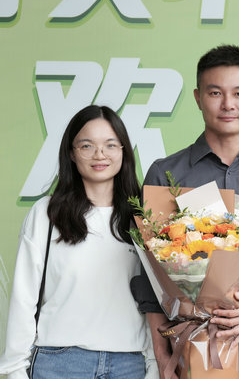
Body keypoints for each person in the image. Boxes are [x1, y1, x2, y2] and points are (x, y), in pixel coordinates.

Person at [131, 44, 239, 379]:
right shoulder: (166, 173)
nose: (228, 104)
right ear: (198, 98)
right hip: (189, 337)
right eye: (215, 93)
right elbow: (150, 271)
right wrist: (161, 350)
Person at [0, 105, 157, 379]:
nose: (100, 154)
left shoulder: (143, 216)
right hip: (59, 363)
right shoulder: (47, 213)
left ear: (123, 151)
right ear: (71, 153)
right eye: (87, 145)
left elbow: (154, 300)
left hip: (129, 364)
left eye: (110, 145)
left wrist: (154, 363)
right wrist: (14, 369)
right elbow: (24, 297)